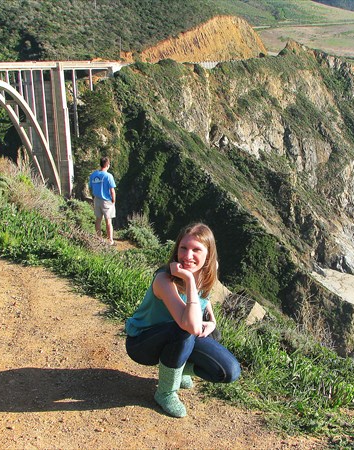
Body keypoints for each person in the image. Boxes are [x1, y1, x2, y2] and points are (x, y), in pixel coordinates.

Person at [125, 222, 240, 418]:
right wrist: (188, 279)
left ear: (209, 255)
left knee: (228, 371)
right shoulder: (165, 280)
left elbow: (205, 299)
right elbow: (190, 325)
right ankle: (165, 392)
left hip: (179, 335)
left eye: (196, 250)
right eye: (183, 248)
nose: (188, 256)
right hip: (143, 342)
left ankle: (175, 372)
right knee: (183, 330)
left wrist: (211, 321)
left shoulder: (206, 272)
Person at [88, 156, 116, 245]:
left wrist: (94, 196)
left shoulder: (93, 175)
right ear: (107, 165)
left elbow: (90, 188)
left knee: (98, 219)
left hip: (97, 200)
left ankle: (98, 238)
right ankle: (110, 240)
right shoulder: (108, 176)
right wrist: (113, 200)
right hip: (106, 201)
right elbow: (112, 191)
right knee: (108, 221)